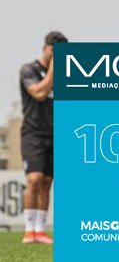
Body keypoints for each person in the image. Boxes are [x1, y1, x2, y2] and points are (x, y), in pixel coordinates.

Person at [19, 31, 67, 244]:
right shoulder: (29, 70)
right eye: (53, 51)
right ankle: (29, 229)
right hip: (33, 132)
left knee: (47, 181)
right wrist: (54, 69)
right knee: (34, 179)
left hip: (56, 132)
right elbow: (39, 93)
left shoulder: (67, 73)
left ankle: (40, 230)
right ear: (45, 48)